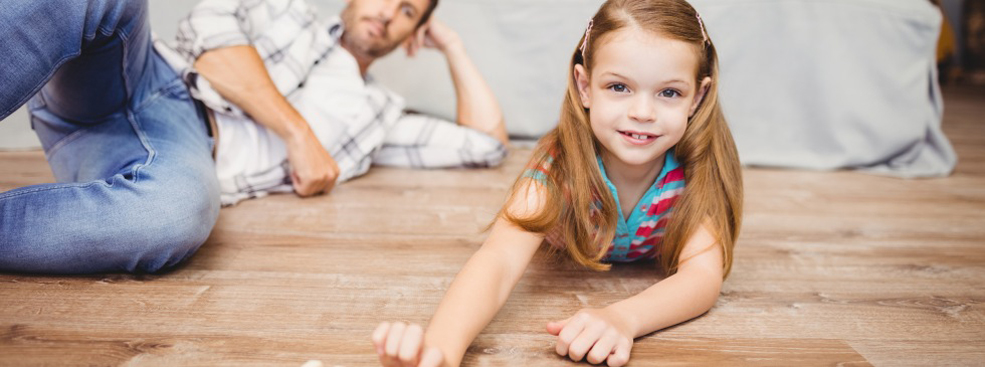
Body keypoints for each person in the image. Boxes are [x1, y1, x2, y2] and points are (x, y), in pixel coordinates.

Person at [0, 0, 506, 274]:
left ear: (409, 34)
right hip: (142, 78)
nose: (390, 12)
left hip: (173, 156)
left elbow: (487, 144)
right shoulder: (285, 14)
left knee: (176, 214)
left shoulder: (379, 117)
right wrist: (297, 131)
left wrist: (453, 44)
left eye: (410, 12)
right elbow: (207, 37)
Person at [369, 0, 743, 366]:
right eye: (618, 87)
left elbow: (702, 276)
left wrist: (624, 318)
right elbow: (498, 261)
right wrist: (441, 350)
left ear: (698, 97)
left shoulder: (696, 168)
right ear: (584, 86)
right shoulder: (557, 168)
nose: (642, 112)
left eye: (669, 93)